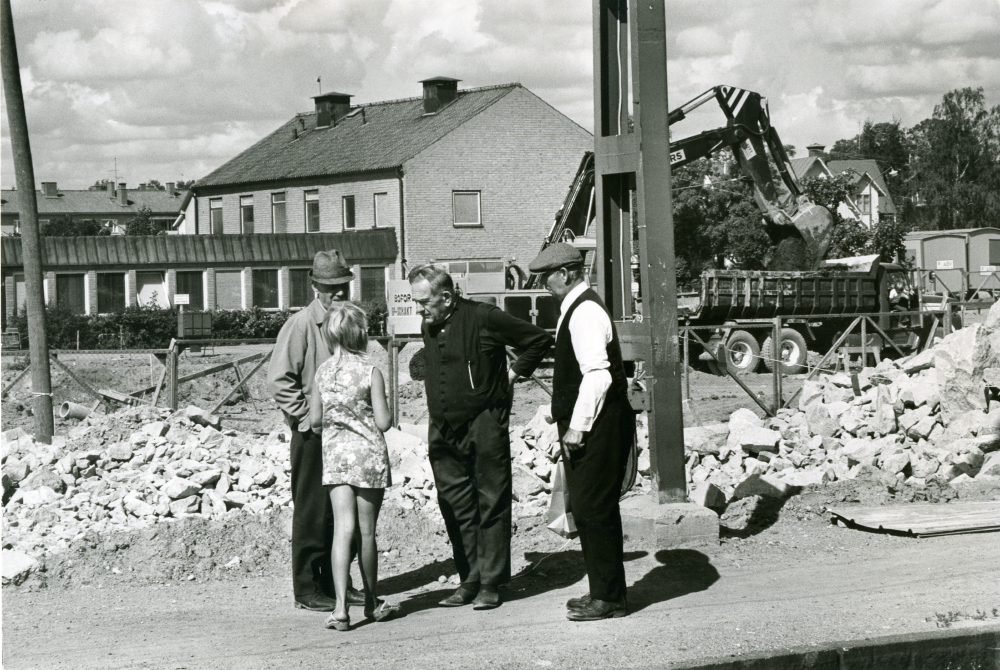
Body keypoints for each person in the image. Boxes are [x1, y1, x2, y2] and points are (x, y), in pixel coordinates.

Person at [409, 264, 553, 610]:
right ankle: (469, 579)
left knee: (491, 501)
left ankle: (491, 582)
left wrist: (514, 374)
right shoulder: (429, 322)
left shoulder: (484, 316)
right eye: (416, 303)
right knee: (455, 504)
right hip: (443, 429)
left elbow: (538, 340)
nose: (419, 309)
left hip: (484, 423)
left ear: (446, 297)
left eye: (424, 302)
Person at [528, 243, 634, 622]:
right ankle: (603, 591)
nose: (543, 283)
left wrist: (577, 425)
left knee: (595, 506)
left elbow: (598, 374)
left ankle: (610, 598)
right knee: (588, 507)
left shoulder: (585, 311)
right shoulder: (576, 307)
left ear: (567, 273)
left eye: (546, 276)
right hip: (594, 420)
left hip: (600, 423)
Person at [267, 249, 364, 612]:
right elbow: (279, 380)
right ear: (314, 286)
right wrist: (305, 419)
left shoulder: (348, 322)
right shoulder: (302, 325)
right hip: (313, 437)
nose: (337, 293)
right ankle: (307, 588)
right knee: (311, 511)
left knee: (340, 513)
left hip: (345, 436)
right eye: (329, 287)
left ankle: (338, 583)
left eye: (342, 285)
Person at [309, 302, 397, 631]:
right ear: (361, 334)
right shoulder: (371, 371)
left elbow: (315, 420)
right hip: (369, 456)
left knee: (342, 531)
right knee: (367, 533)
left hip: (335, 456)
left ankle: (341, 609)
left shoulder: (323, 372)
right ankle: (372, 604)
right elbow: (384, 422)